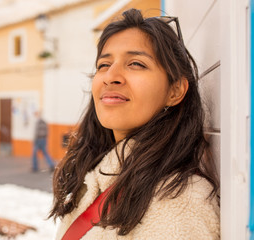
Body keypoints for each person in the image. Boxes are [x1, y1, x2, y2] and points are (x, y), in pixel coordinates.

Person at [49, 8, 219, 239]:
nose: (111, 76)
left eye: (136, 64)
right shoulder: (98, 176)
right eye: (103, 65)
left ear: (175, 90)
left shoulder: (181, 203)